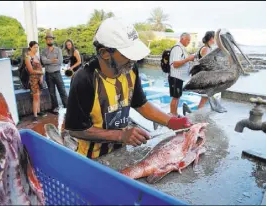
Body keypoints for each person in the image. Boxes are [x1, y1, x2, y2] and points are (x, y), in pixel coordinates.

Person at [64, 17, 192, 159]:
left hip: (121, 151)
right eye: (127, 55)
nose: (134, 60)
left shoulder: (130, 69)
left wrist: (171, 122)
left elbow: (141, 104)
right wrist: (121, 135)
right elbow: (76, 130)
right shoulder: (84, 79)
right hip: (92, 157)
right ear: (104, 53)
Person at [183, 31, 216, 115]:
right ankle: (196, 116)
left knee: (206, 98)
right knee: (204, 99)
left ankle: (191, 112)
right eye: (214, 38)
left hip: (205, 77)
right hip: (204, 78)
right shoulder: (206, 49)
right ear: (211, 38)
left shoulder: (206, 48)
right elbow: (206, 64)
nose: (215, 40)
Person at [41, 31, 68, 114]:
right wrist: (52, 60)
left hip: (57, 73)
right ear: (46, 41)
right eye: (48, 39)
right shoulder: (43, 51)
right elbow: (43, 61)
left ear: (53, 40)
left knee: (62, 90)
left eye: (51, 39)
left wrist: (48, 61)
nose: (49, 41)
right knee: (52, 92)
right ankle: (55, 108)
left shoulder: (58, 50)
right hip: (48, 74)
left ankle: (67, 107)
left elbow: (60, 61)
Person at [168, 33, 195, 116]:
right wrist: (188, 59)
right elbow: (175, 64)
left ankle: (175, 114)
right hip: (176, 76)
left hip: (179, 77)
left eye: (190, 40)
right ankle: (173, 115)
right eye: (188, 40)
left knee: (177, 97)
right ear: (182, 38)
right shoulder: (177, 48)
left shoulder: (181, 48)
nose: (189, 42)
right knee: (175, 97)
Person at [25, 41, 47, 122]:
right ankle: (35, 115)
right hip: (33, 80)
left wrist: (41, 76)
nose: (36, 49)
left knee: (38, 96)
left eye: (37, 47)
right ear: (30, 47)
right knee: (36, 96)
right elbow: (31, 71)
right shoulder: (28, 57)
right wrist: (41, 73)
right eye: (34, 47)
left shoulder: (36, 56)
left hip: (39, 79)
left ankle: (38, 111)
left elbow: (40, 67)